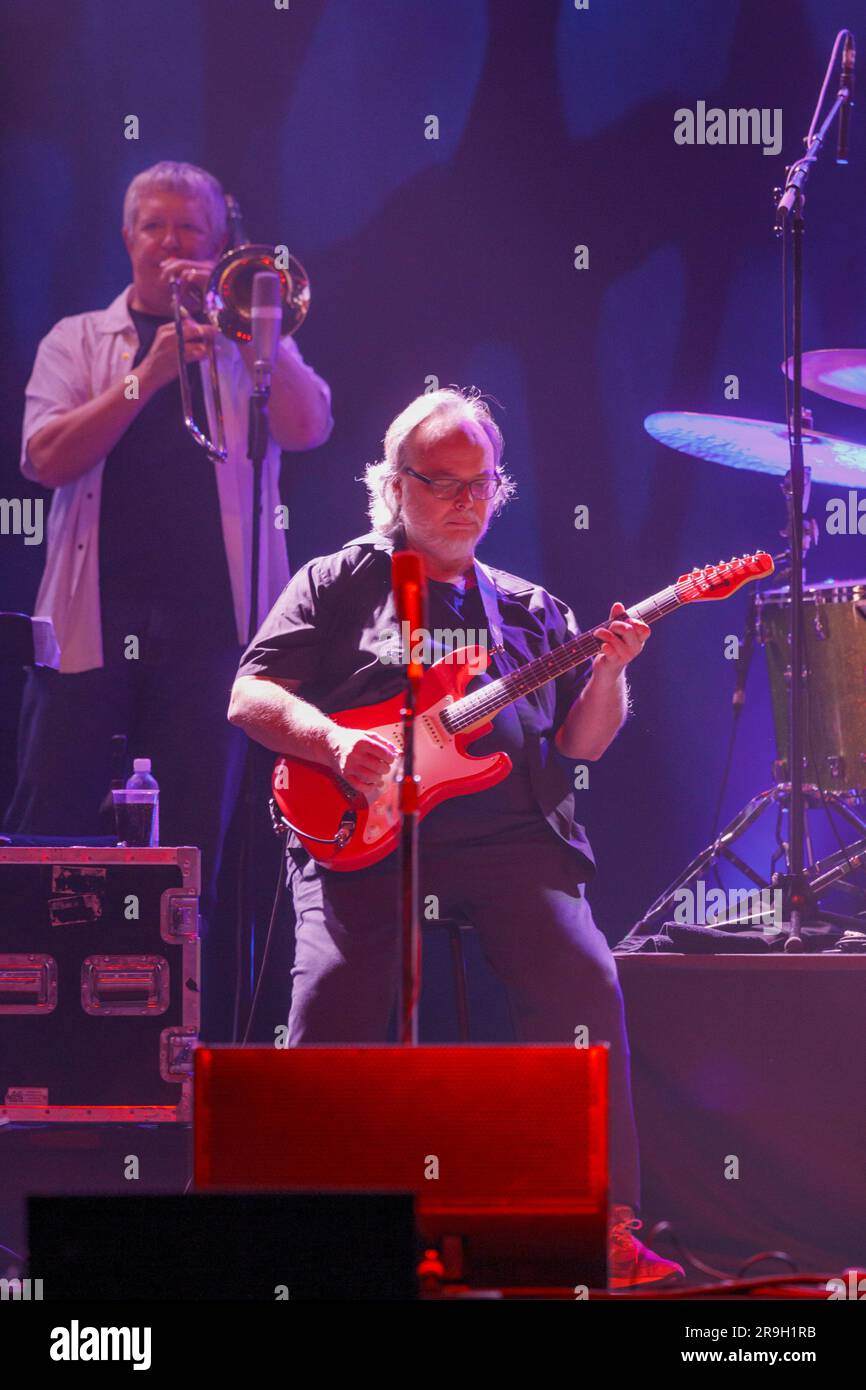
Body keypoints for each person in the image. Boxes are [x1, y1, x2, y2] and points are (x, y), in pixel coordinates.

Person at [227, 386, 683, 1288]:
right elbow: (250, 697)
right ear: (396, 487)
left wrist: (611, 672)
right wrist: (335, 740)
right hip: (364, 835)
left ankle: (605, 1227)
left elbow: (582, 745)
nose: (465, 501)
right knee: (329, 1001)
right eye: (443, 483)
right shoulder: (334, 582)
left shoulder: (526, 607)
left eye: (481, 484)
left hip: (511, 842)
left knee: (583, 976)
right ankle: (302, 1233)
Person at [4, 161, 333, 1035]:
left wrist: (264, 330)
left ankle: (186, 1045)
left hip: (211, 642)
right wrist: (143, 377)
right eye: (155, 226)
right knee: (54, 841)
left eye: (192, 230)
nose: (173, 245)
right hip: (88, 633)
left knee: (196, 854)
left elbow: (310, 425)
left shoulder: (246, 345)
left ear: (219, 245)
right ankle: (47, 1043)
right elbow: (42, 458)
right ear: (128, 240)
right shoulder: (79, 340)